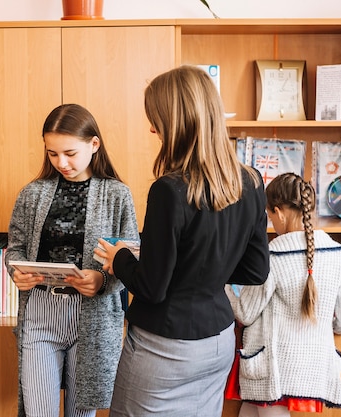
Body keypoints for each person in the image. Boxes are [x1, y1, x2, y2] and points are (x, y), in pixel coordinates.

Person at [95, 65, 271, 417]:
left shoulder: (169, 190)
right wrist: (203, 269)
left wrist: (120, 259)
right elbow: (255, 270)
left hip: (164, 349)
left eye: (156, 118)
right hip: (218, 343)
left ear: (178, 121)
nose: (151, 127)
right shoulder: (250, 182)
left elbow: (152, 287)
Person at [5, 103, 139, 417]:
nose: (61, 162)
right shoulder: (32, 193)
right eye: (52, 154)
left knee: (82, 413)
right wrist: (17, 271)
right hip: (40, 312)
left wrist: (103, 281)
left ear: (94, 145)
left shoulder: (117, 194)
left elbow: (131, 257)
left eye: (70, 153)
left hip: (92, 318)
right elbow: (15, 249)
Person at [225, 172, 341, 417]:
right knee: (247, 411)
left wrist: (223, 285)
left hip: (273, 371)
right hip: (314, 368)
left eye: (270, 217)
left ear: (278, 212)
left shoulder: (274, 256)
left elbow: (246, 312)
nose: (271, 223)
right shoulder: (338, 254)